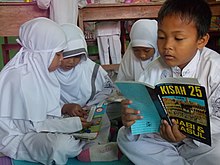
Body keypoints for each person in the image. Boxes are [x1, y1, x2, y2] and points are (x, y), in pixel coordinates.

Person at [117, 0, 220, 165]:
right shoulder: (153, 69)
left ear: (201, 40)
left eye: (178, 38)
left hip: (199, 144)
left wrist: (188, 133)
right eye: (161, 37)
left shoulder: (215, 68)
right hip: (162, 139)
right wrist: (131, 117)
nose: (167, 46)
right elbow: (143, 114)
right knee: (125, 136)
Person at [0, 17, 92, 165]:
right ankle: (87, 148)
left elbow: (47, 113)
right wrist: (72, 125)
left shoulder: (41, 72)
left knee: (91, 121)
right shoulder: (20, 79)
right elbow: (33, 126)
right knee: (60, 145)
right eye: (58, 54)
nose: (62, 59)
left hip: (37, 129)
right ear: (44, 53)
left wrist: (66, 116)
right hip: (18, 138)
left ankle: (86, 144)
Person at [55, 23, 121, 162]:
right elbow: (43, 101)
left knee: (103, 118)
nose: (72, 61)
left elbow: (107, 89)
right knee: (56, 130)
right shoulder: (50, 71)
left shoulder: (89, 68)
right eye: (67, 56)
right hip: (61, 115)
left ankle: (94, 147)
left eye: (77, 56)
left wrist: (91, 106)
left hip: (88, 111)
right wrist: (65, 108)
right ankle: (91, 148)